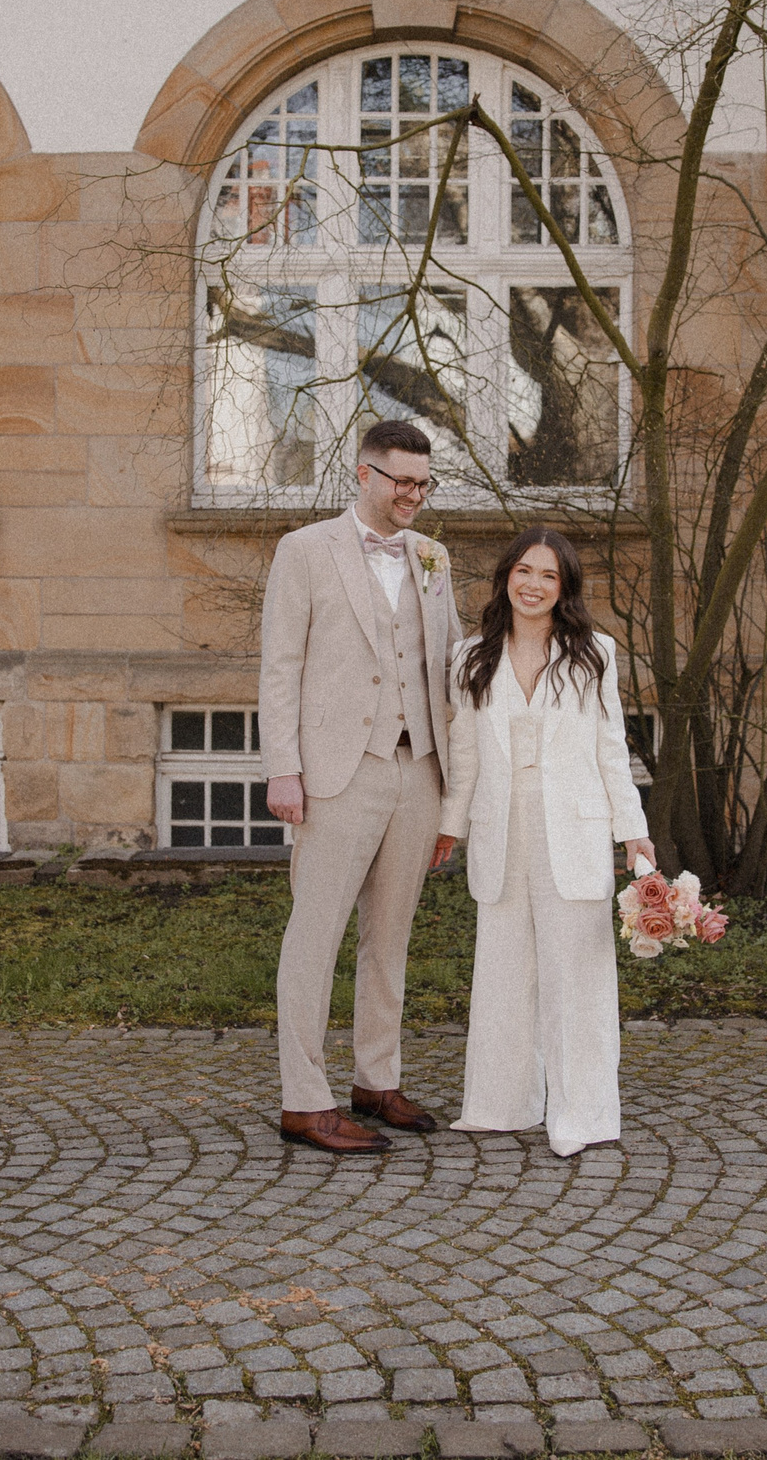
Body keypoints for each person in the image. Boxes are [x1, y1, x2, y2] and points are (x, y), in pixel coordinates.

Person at [258, 419, 462, 1153]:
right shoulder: (305, 550)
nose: (413, 495)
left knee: (391, 935)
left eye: (424, 483)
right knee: (315, 935)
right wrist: (283, 767)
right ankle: (304, 1101)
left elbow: (450, 661)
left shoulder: (433, 556)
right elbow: (281, 664)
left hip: (419, 768)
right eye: (402, 480)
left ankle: (377, 1079)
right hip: (336, 772)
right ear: (364, 473)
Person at [436, 527, 651, 1158]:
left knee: (578, 980)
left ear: (565, 588)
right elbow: (465, 751)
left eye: (549, 576)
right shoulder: (470, 657)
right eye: (524, 571)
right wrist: (450, 823)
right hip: (502, 830)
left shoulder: (594, 653)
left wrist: (633, 832)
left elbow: (611, 748)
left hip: (575, 831)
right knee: (502, 974)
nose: (533, 585)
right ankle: (500, 1104)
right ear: (507, 576)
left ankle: (582, 1115)